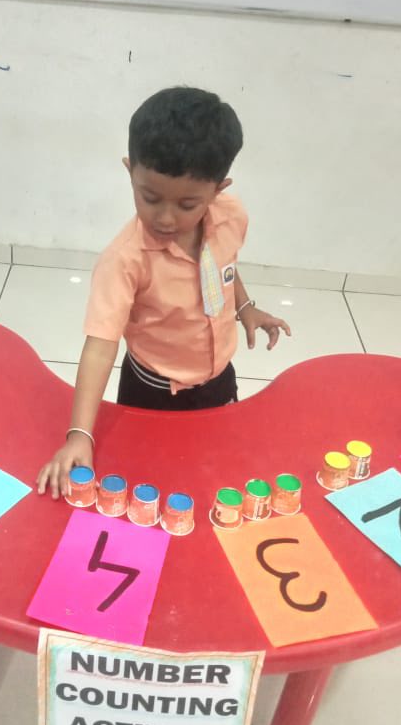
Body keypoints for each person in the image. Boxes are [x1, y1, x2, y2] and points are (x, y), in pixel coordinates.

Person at [37, 86, 291, 498]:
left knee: (212, 476)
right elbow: (100, 347)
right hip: (152, 390)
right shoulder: (125, 260)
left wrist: (245, 306)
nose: (167, 218)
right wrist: (79, 434)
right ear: (130, 172)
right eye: (150, 198)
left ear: (218, 190)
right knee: (150, 483)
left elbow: (223, 265)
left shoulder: (231, 216)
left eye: (188, 205)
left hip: (219, 378)